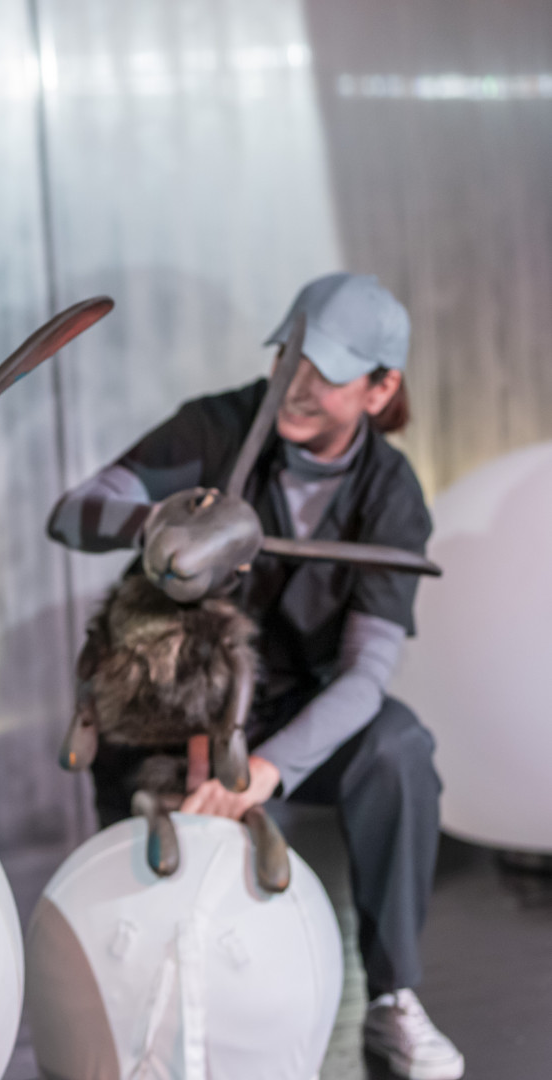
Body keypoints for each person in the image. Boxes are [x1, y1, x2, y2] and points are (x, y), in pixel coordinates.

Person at [48, 273, 464, 1080]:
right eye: (287, 360)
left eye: (326, 373)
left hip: (285, 719)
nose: (295, 387)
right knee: (139, 852)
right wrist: (163, 522)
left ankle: (392, 999)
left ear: (380, 389)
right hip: (170, 705)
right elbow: (71, 512)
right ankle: (115, 1011)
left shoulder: (390, 498)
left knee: (397, 749)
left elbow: (365, 674)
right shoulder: (218, 425)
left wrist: (266, 770)